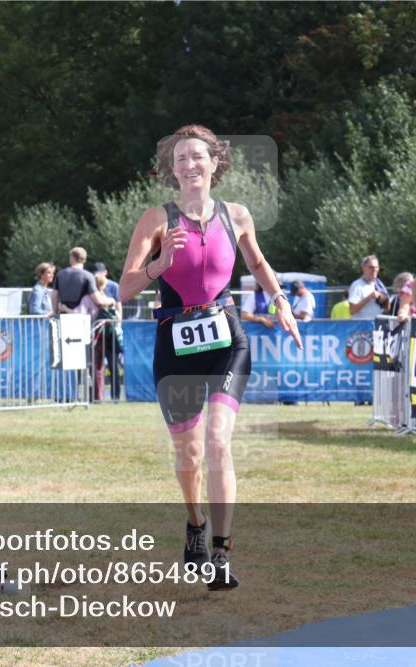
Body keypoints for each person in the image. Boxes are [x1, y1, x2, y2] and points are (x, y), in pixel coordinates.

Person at [119, 124, 302, 591]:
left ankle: (222, 551)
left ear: (215, 162)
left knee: (219, 441)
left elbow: (257, 263)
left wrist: (281, 302)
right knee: (190, 453)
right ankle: (195, 523)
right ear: (172, 169)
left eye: (197, 156)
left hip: (226, 340)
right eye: (180, 158)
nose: (189, 164)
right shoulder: (155, 219)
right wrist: (158, 265)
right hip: (174, 342)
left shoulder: (236, 215)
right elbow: (125, 288)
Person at [53, 247, 115, 313]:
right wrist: (111, 300)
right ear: (84, 259)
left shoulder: (60, 274)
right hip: (82, 318)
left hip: (63, 315)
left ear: (72, 258)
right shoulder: (87, 276)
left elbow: (54, 296)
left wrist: (55, 310)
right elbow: (98, 300)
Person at [348, 255, 389, 320]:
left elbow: (388, 309)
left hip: (377, 326)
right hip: (362, 327)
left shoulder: (379, 285)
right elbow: (352, 310)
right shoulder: (357, 285)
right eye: (371, 267)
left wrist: (385, 300)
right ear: (363, 268)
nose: (374, 270)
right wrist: (369, 297)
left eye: (376, 267)